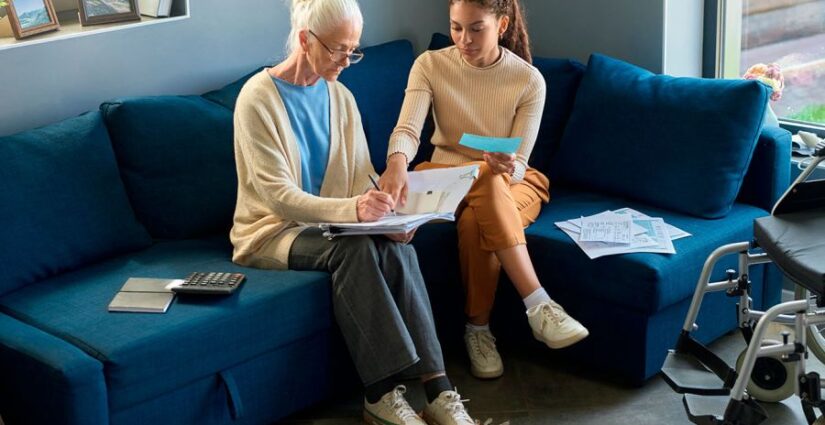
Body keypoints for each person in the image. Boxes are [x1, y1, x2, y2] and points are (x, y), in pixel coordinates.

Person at [230, 1, 474, 424]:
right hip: (273, 232)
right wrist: (355, 210)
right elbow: (277, 197)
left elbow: (363, 177)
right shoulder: (256, 100)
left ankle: (439, 390)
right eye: (339, 50)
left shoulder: (341, 97)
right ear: (305, 40)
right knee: (354, 251)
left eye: (354, 50)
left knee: (396, 248)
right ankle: (381, 394)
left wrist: (389, 216)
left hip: (332, 225)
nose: (347, 62)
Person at [379, 0, 589, 380]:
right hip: (443, 176)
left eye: (476, 28)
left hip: (511, 183)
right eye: (456, 27)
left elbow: (519, 162)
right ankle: (538, 305)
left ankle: (478, 330)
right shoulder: (430, 65)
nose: (464, 39)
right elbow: (408, 129)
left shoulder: (528, 80)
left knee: (481, 209)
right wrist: (396, 164)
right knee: (484, 182)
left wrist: (505, 167)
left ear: (503, 24)